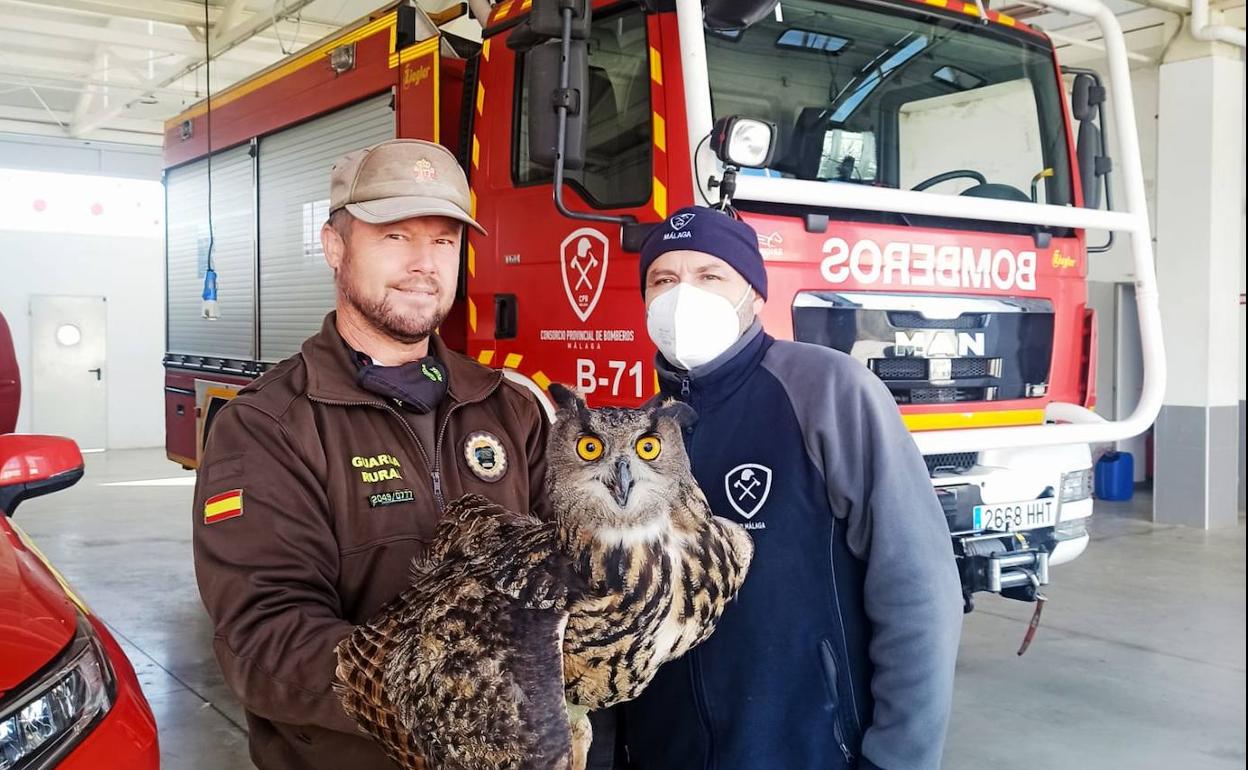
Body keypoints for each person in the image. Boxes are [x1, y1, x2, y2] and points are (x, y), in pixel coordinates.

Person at [192, 139, 551, 770]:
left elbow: (567, 567)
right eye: (395, 236)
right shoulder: (267, 425)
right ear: (334, 247)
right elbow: (265, 636)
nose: (424, 263)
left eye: (443, 241)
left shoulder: (510, 408)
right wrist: (445, 693)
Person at [619, 206, 964, 770]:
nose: (683, 295)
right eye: (663, 279)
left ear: (754, 294)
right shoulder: (638, 433)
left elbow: (918, 589)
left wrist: (897, 758)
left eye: (710, 276)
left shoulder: (827, 391)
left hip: (809, 750)